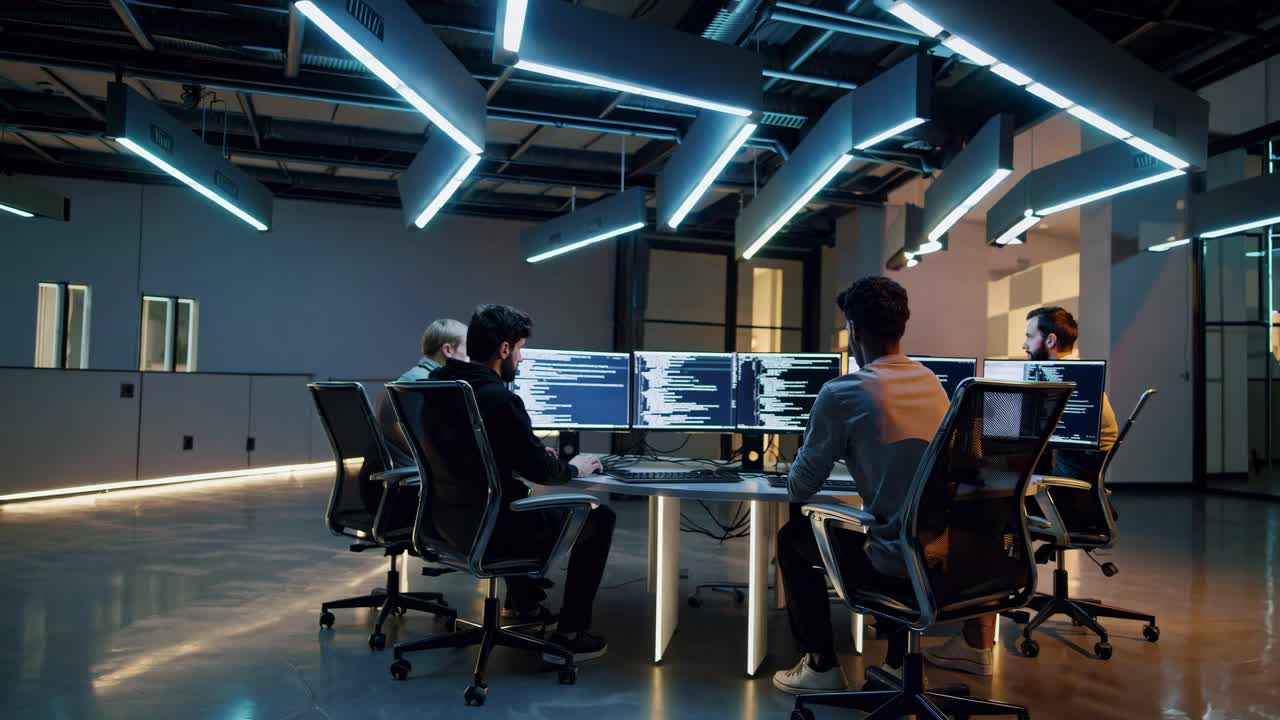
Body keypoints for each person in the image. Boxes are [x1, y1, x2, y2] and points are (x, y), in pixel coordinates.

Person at [772, 277, 951, 695]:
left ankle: (821, 666)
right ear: (902, 325)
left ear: (853, 329)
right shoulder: (932, 382)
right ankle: (897, 663)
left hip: (893, 559)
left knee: (792, 537)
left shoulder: (842, 392)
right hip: (944, 552)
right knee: (895, 523)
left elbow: (800, 488)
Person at [921, 306, 1119, 677]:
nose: (1024, 345)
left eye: (1029, 336)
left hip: (1068, 500)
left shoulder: (1064, 383)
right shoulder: (1076, 380)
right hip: (1072, 493)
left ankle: (973, 641)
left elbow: (1021, 443)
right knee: (984, 500)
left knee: (981, 514)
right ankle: (971, 618)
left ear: (1050, 340)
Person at [431, 304, 615, 664]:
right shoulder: (500, 398)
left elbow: (473, 451)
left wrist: (528, 452)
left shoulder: (439, 387)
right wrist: (573, 468)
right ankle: (571, 634)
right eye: (520, 349)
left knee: (520, 499)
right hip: (496, 529)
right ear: (504, 349)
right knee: (599, 518)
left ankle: (523, 603)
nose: (521, 357)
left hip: (445, 525)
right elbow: (543, 473)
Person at [378, 318, 469, 466]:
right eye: (467, 350)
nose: (470, 358)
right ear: (448, 350)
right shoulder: (422, 385)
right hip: (415, 474)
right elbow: (424, 449)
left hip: (404, 471)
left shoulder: (415, 379)